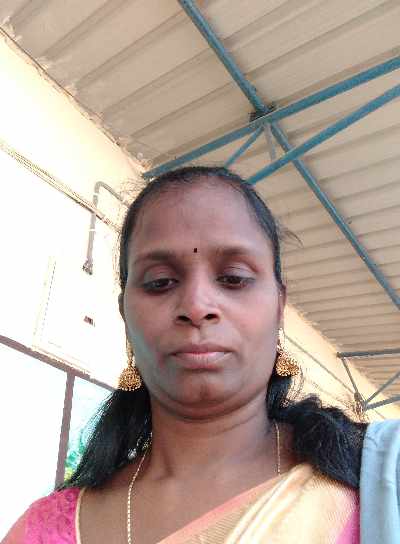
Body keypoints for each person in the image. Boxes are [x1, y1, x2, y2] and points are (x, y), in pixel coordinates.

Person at [3, 166, 399, 544]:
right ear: (125, 314)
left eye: (233, 278)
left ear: (279, 307)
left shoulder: (382, 477)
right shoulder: (44, 530)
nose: (196, 305)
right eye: (160, 282)